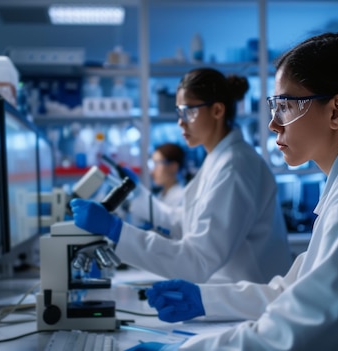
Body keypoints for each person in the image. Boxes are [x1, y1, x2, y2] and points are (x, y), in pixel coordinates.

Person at [130, 32, 338, 350]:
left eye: (285, 105)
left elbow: (294, 337)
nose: (273, 123)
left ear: (337, 111)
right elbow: (293, 293)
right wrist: (205, 299)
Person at [69, 67, 292, 284]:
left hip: (251, 302)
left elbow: (197, 261)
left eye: (189, 111)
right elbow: (182, 222)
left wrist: (116, 230)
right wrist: (136, 195)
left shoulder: (235, 166)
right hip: (232, 298)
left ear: (217, 110)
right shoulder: (219, 160)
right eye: (178, 112)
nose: (180, 121)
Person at [148, 142, 187, 207]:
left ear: (173, 167)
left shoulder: (181, 198)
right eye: (152, 164)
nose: (152, 171)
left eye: (157, 164)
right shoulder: (161, 195)